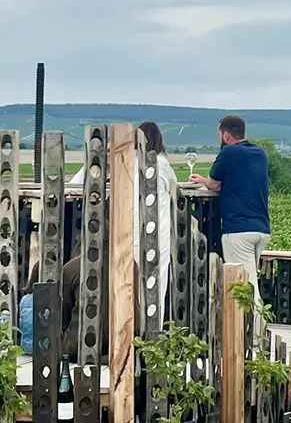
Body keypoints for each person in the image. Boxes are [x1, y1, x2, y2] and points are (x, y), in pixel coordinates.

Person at [67, 121, 177, 321]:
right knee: (154, 286)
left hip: (125, 230)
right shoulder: (162, 164)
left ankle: (123, 327)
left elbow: (74, 184)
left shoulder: (124, 162)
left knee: (124, 284)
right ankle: (152, 331)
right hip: (156, 234)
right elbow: (174, 191)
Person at [189, 114, 270, 275]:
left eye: (219, 135)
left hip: (238, 229)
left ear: (226, 135)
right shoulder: (260, 153)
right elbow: (240, 181)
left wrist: (203, 181)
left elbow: (213, 184)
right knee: (249, 278)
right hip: (262, 228)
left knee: (242, 284)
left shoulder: (229, 152)